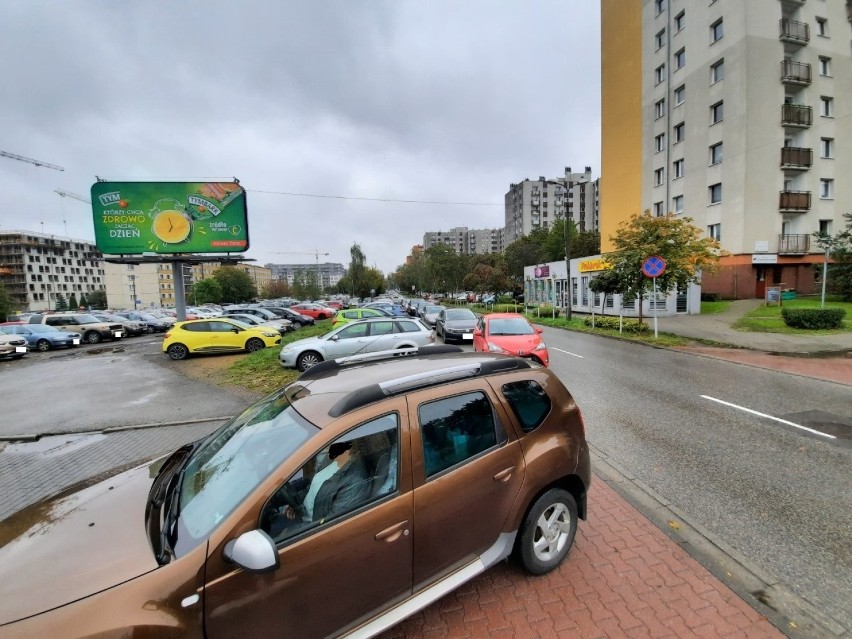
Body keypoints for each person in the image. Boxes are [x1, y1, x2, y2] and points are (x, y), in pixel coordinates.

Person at [268, 441, 369, 538]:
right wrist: (296, 504)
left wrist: (289, 534)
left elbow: (331, 523)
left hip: (311, 526)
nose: (326, 445)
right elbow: (313, 488)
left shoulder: (355, 482)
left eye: (331, 440)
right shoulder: (332, 458)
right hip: (302, 514)